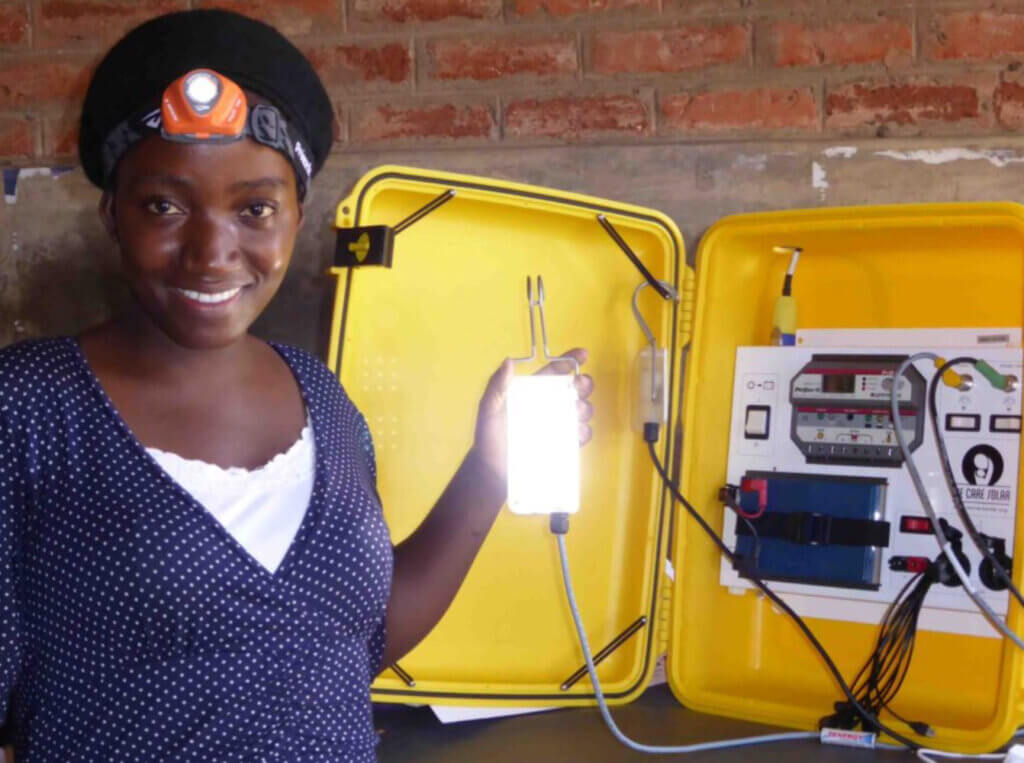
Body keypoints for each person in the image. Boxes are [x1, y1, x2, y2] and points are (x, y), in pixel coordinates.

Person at [0, 9, 593, 762]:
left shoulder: (323, 397)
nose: (213, 253)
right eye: (164, 206)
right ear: (112, 214)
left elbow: (351, 642)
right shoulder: (28, 408)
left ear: (295, 219)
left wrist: (488, 470)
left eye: (254, 208)